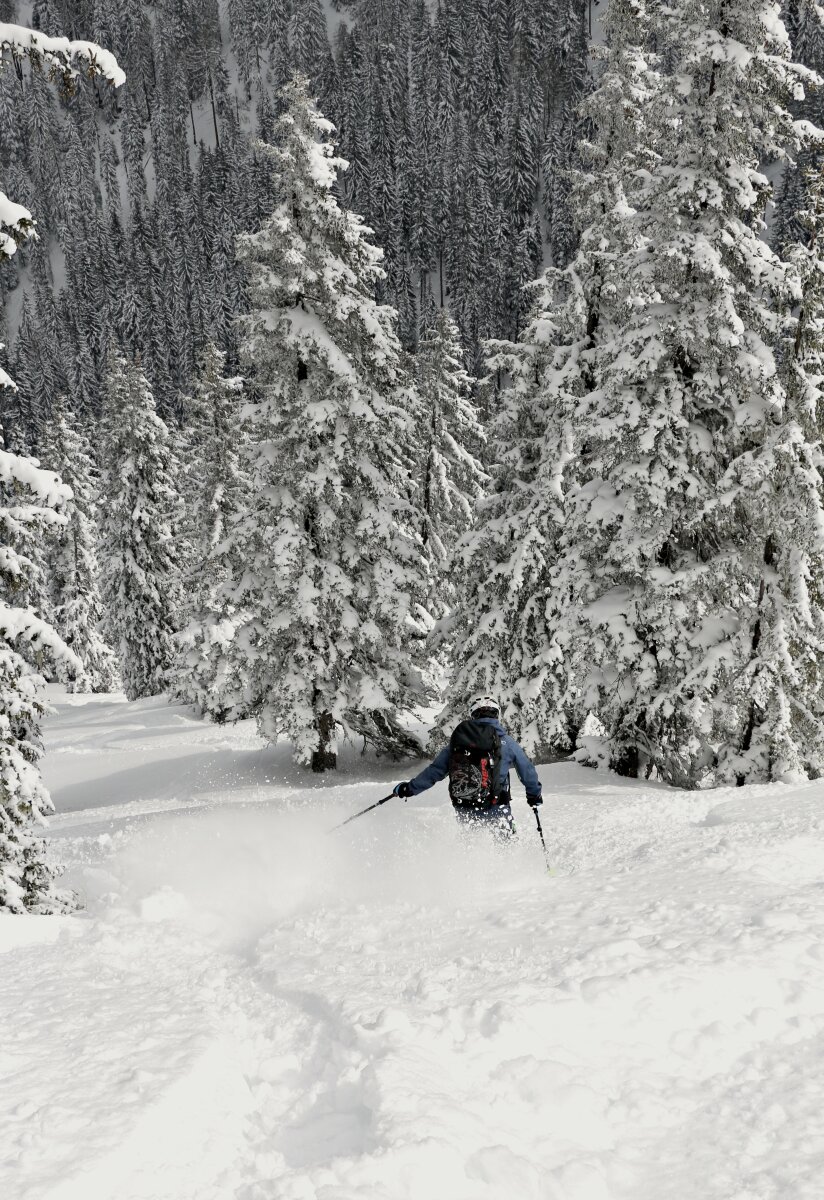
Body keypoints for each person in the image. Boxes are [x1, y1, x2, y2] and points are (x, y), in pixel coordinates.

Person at [392, 694, 543, 839]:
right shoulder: (506, 743)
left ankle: (467, 864)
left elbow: (435, 771)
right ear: (496, 714)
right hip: (497, 805)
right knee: (505, 846)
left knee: (470, 845)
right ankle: (507, 863)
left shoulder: (459, 743)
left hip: (465, 806)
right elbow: (527, 770)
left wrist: (410, 788)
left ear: (473, 715)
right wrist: (534, 795)